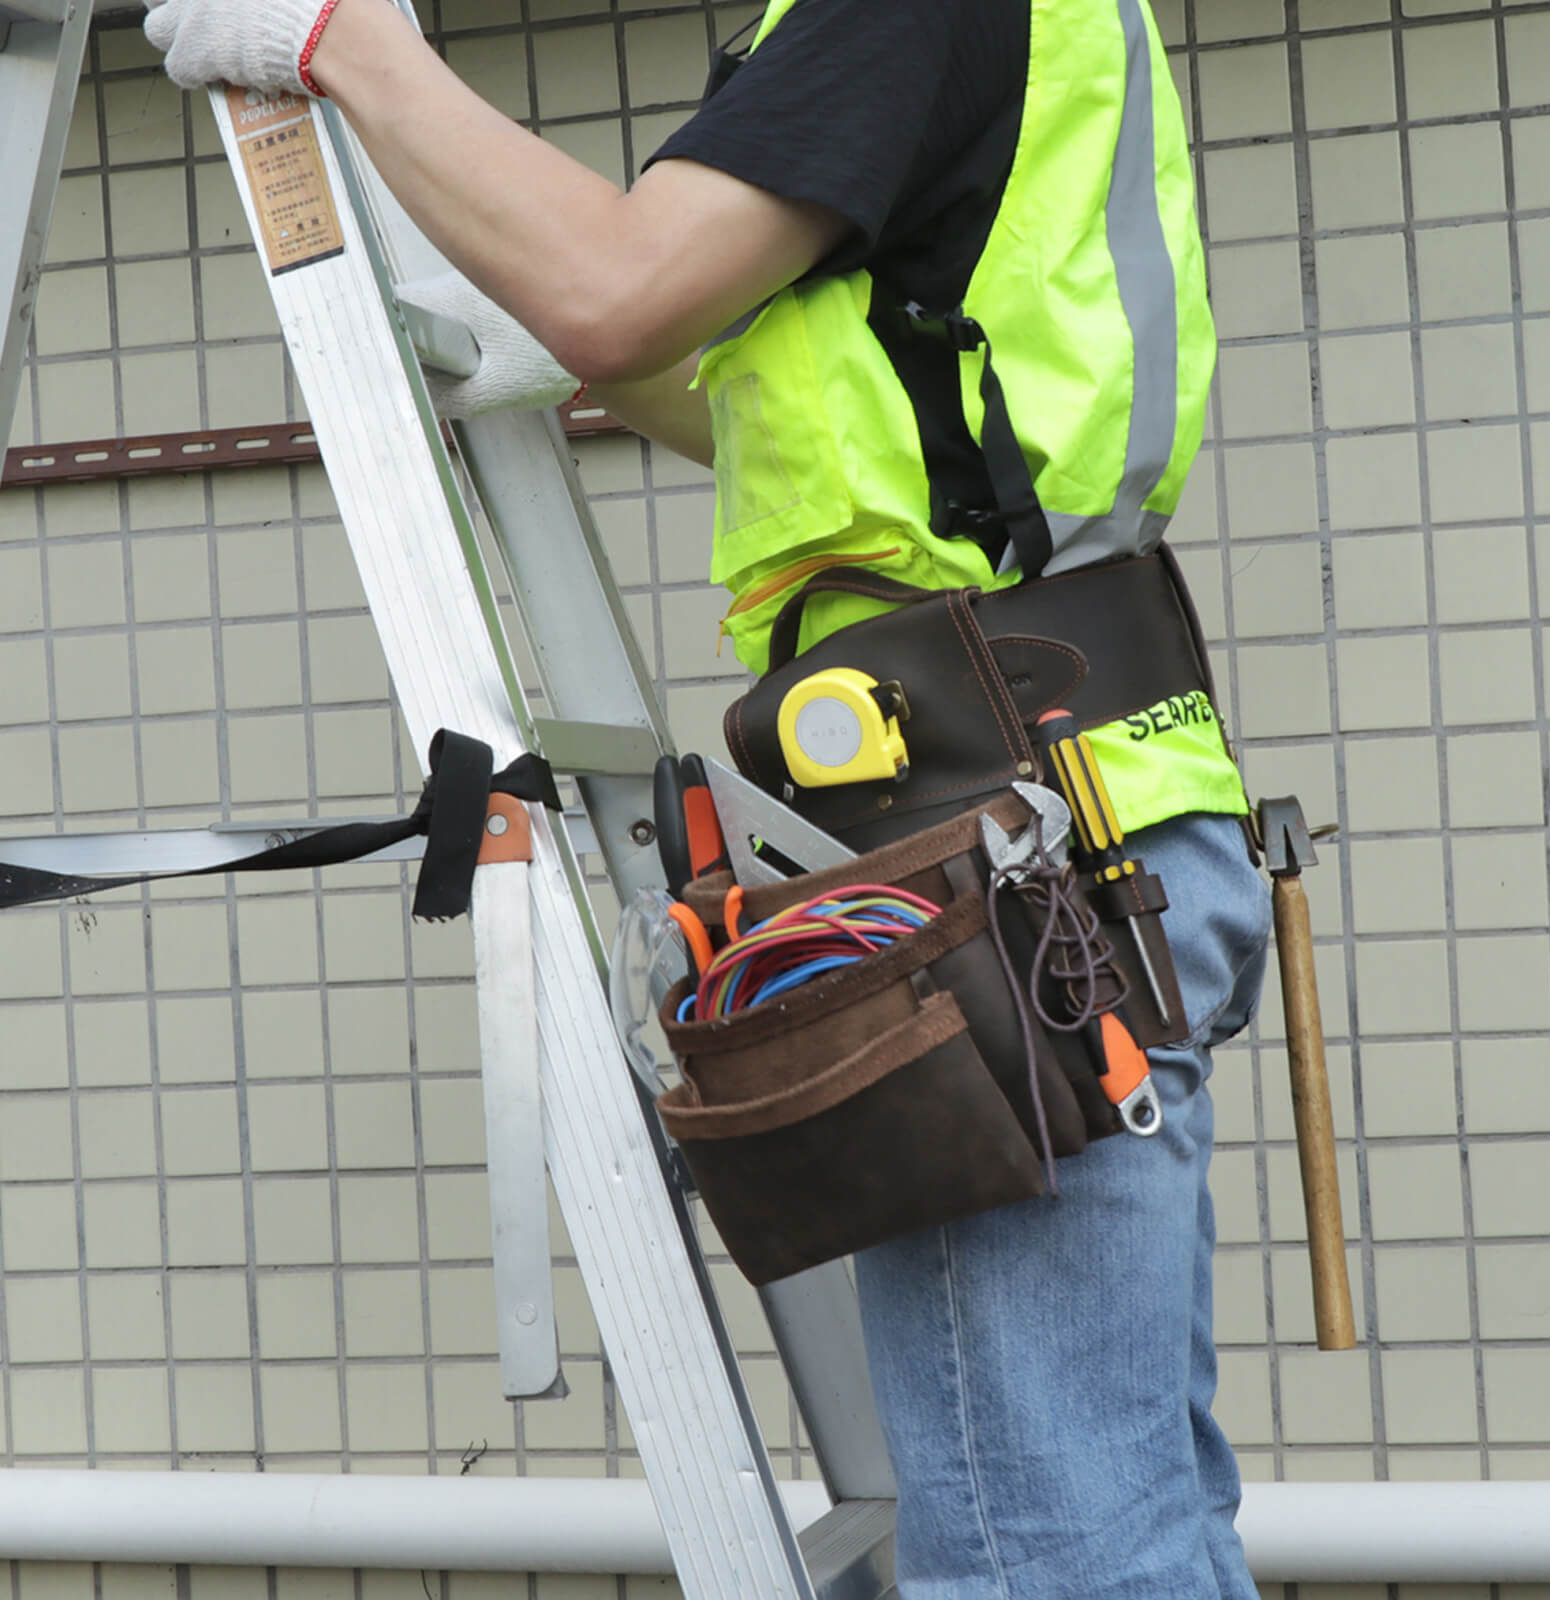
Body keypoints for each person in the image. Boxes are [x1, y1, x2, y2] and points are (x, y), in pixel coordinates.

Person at [144, 0, 1273, 1593]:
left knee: (1041, 1550)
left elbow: (621, 295)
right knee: (1112, 1513)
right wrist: (518, 299)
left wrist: (345, 40)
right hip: (1073, 808)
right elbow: (781, 387)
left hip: (1002, 842)